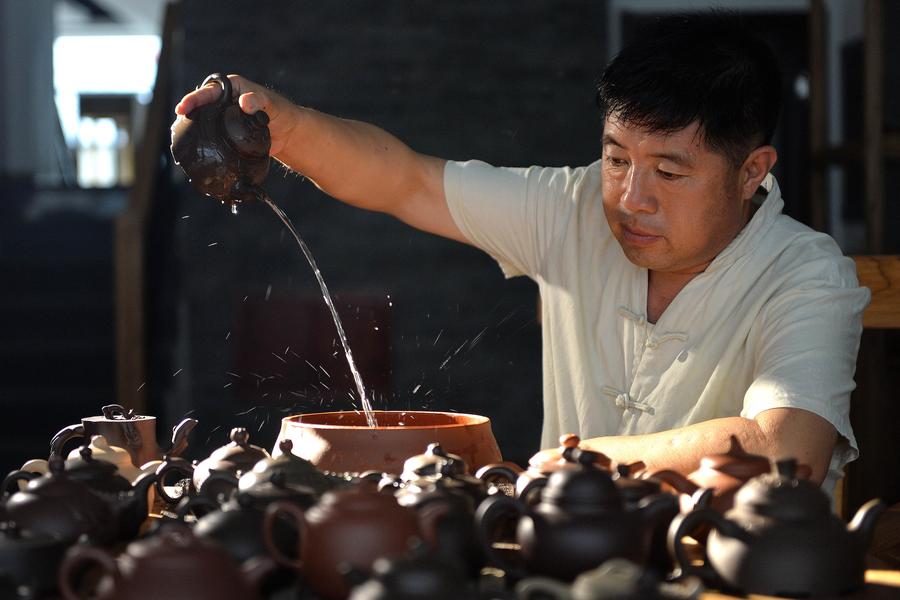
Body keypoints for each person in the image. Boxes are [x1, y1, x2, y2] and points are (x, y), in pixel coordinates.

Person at [176, 13, 868, 493]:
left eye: (670, 171)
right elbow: (405, 180)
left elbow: (787, 449)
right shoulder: (572, 206)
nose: (630, 198)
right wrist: (285, 127)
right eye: (616, 157)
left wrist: (568, 465)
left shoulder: (806, 275)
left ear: (753, 171)